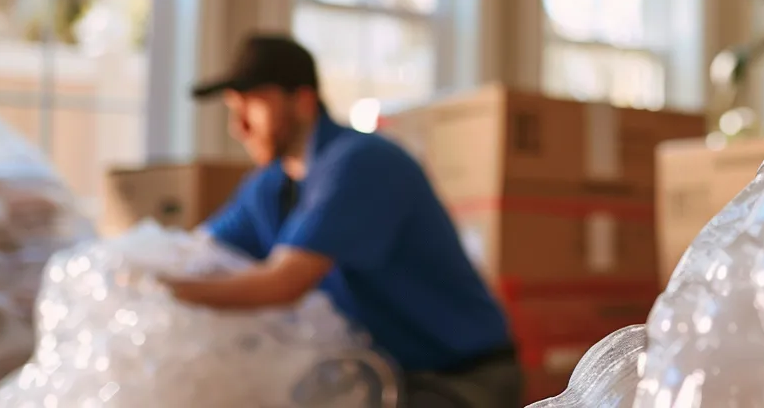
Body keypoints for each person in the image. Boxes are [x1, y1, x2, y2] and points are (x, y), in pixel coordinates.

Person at [168, 33, 523, 408]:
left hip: (462, 378)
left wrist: (162, 289)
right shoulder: (269, 187)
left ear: (303, 101)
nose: (238, 127)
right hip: (391, 376)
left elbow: (283, 283)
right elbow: (200, 254)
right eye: (232, 109)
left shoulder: (362, 162)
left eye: (253, 105)